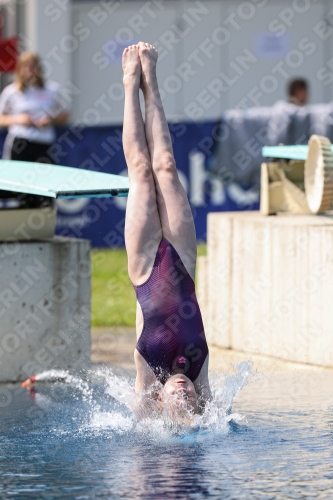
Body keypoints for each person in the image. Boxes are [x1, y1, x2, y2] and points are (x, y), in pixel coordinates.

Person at [22, 43, 211, 418]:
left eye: (179, 400)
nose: (184, 391)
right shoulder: (201, 374)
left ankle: (129, 84)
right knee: (167, 166)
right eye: (191, 397)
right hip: (184, 259)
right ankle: (151, 81)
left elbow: (135, 433)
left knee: (141, 170)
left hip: (145, 269)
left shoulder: (149, 376)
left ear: (161, 401)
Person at [0, 51, 70, 207]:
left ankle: (41, 226)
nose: (30, 71)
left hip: (42, 145)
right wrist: (19, 119)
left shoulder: (52, 89)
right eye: (26, 67)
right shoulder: (11, 91)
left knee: (44, 189)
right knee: (18, 186)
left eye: (34, 66)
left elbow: (66, 114)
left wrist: (50, 120)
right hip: (20, 144)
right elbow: (1, 118)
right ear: (20, 69)